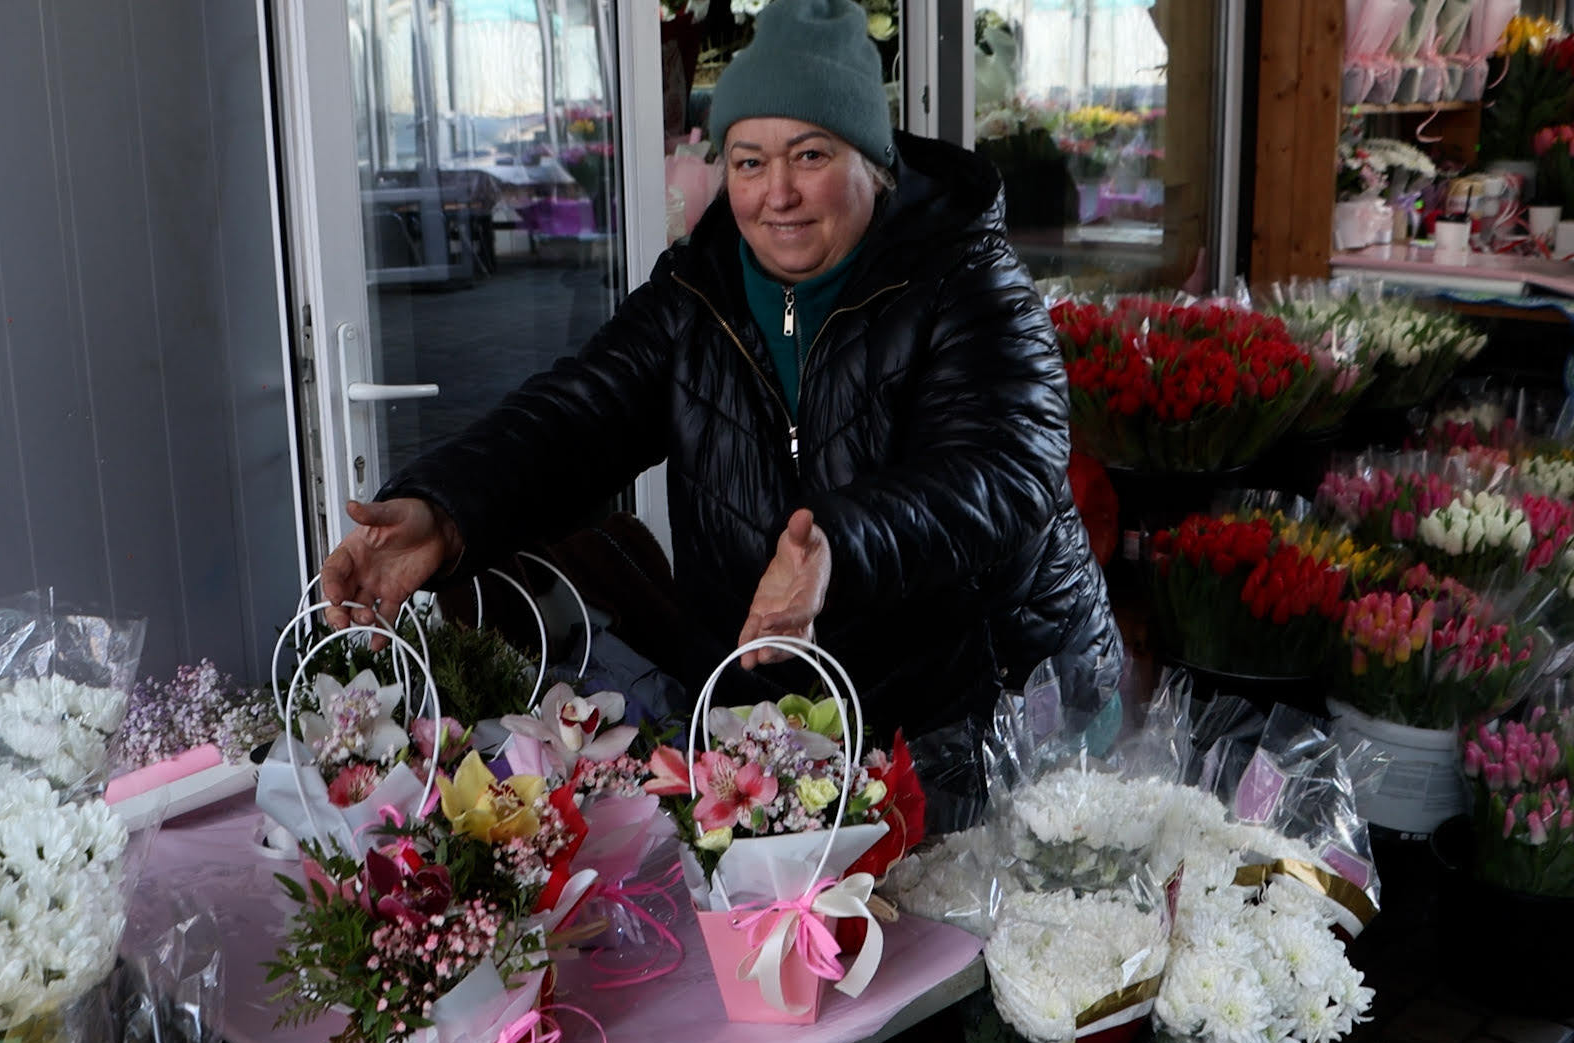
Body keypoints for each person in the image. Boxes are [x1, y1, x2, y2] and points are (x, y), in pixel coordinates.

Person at [320, 0, 1115, 755]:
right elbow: (576, 417)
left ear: (874, 165)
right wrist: (445, 509)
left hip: (993, 705)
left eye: (811, 154)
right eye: (749, 160)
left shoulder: (967, 279)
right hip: (784, 726)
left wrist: (839, 542)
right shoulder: (696, 295)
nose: (778, 194)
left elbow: (1005, 471)